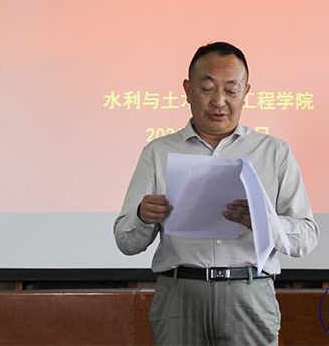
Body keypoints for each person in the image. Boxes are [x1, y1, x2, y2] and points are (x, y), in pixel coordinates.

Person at [114, 41, 318, 345]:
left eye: (231, 90)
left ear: (246, 92)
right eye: (207, 88)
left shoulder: (274, 152)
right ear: (187, 90)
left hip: (249, 294)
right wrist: (143, 216)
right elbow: (125, 242)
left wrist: (264, 222)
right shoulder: (158, 152)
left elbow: (307, 237)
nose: (219, 101)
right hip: (179, 296)